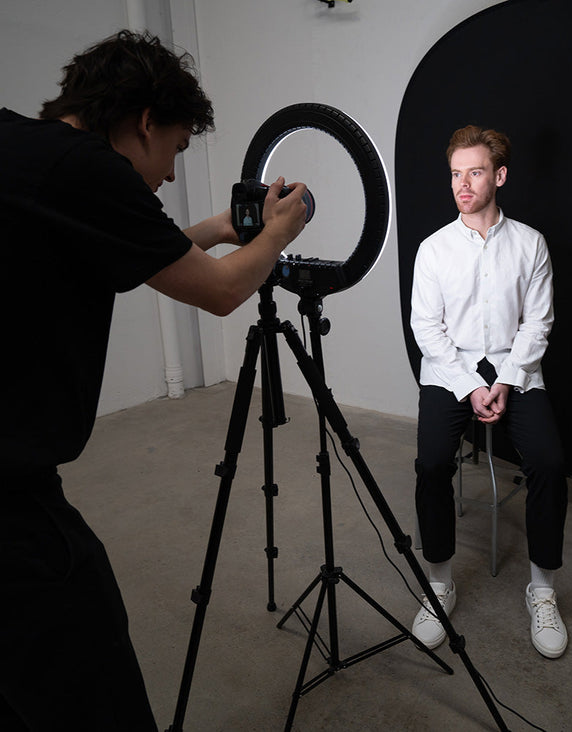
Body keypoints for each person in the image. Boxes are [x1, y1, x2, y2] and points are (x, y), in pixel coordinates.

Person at [0, 30, 307, 730]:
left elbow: (130, 251)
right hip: (10, 497)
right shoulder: (91, 170)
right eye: (175, 148)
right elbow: (222, 292)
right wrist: (277, 233)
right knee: (90, 668)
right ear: (144, 122)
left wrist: (222, 230)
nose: (169, 174)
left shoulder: (25, 150)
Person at [410, 125, 569, 660]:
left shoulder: (530, 244)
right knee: (432, 462)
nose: (462, 184)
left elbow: (538, 323)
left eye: (474, 172)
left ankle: (542, 591)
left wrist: (503, 381)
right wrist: (469, 386)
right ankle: (439, 583)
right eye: (456, 174)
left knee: (549, 461)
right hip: (449, 369)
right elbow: (426, 328)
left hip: (514, 367)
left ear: (499, 176)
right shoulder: (433, 249)